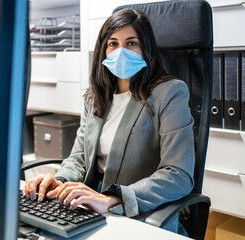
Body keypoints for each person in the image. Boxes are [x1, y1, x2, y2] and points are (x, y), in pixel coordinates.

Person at [23, 8, 195, 234]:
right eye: (113, 43)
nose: (121, 51)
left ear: (146, 48)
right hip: (86, 201)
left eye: (131, 43)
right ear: (103, 50)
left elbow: (178, 174)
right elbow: (80, 158)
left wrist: (114, 198)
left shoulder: (170, 93)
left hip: (138, 209)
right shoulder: (95, 96)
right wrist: (60, 181)